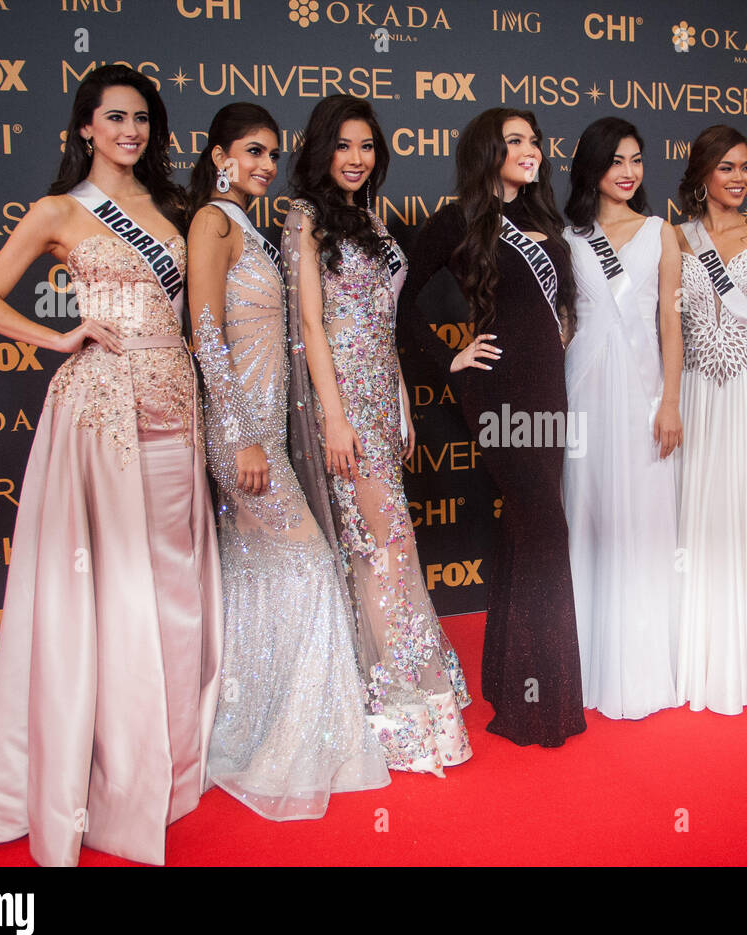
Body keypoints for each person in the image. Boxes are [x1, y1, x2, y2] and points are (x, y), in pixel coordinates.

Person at [0, 65, 220, 866]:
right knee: (108, 587)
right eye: (115, 118)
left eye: (142, 119)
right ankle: (111, 767)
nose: (131, 131)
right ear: (85, 128)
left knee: (173, 581)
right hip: (104, 411)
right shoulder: (58, 211)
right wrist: (60, 336)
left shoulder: (173, 209)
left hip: (177, 400)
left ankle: (172, 763)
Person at [186, 102, 389, 818]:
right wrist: (240, 436)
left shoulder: (253, 228)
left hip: (268, 432)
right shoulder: (212, 222)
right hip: (245, 437)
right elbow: (205, 332)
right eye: (249, 151)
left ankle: (257, 722)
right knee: (307, 568)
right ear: (217, 155)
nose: (264, 166)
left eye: (272, 154)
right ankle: (298, 736)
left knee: (261, 581)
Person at [284, 95, 471, 773]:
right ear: (320, 151)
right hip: (341, 410)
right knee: (380, 550)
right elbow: (310, 329)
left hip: (378, 401)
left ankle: (402, 692)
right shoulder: (303, 219)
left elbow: (381, 323)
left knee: (390, 547)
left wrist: (399, 404)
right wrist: (336, 417)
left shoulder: (371, 217)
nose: (357, 159)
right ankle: (398, 712)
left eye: (366, 146)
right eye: (343, 146)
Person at [397, 107, 586, 747]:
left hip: (547, 388)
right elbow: (399, 304)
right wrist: (449, 357)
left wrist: (561, 333)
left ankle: (512, 678)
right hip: (500, 389)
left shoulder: (541, 220)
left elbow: (555, 307)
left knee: (527, 522)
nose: (529, 150)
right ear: (488, 152)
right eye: (514, 141)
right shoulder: (459, 219)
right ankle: (540, 703)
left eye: (533, 140)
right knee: (542, 525)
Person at [672, 125, 747, 714]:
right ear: (702, 173)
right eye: (727, 168)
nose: (740, 178)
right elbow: (663, 328)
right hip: (696, 394)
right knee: (699, 523)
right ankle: (697, 654)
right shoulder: (675, 238)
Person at [561, 117, 681, 720]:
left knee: (642, 522)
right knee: (587, 516)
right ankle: (580, 663)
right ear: (593, 168)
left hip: (642, 394)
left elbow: (669, 325)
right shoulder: (566, 235)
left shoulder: (662, 232)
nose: (629, 172)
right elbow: (563, 323)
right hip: (583, 389)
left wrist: (671, 401)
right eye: (616, 161)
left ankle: (637, 665)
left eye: (636, 160)